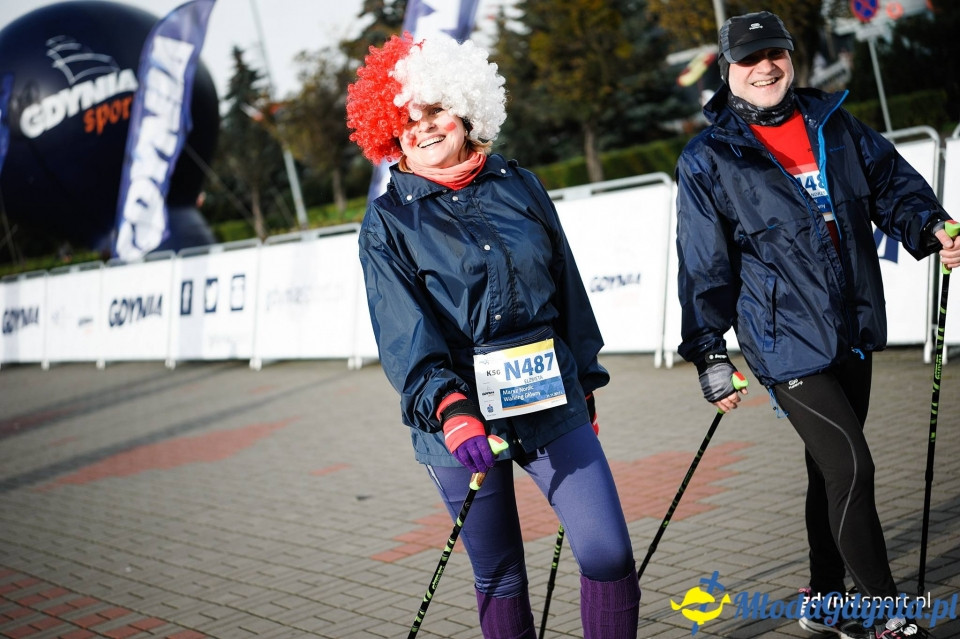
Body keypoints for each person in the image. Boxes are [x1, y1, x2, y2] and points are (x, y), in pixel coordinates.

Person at [674, 11, 960, 639]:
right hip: (783, 339)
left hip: (852, 322)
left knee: (828, 470)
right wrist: (709, 352)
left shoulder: (833, 123)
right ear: (727, 70)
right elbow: (703, 262)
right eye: (749, 59)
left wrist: (931, 226)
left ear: (790, 57)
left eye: (774, 53)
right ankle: (884, 614)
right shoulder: (709, 156)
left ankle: (826, 598)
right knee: (853, 467)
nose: (765, 67)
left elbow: (893, 187)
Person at [346, 33, 640, 639]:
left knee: (607, 552)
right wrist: (450, 409)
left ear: (465, 108)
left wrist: (585, 380)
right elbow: (403, 329)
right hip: (459, 421)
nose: (424, 128)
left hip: (551, 398)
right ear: (389, 135)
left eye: (435, 109)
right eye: (406, 120)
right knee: (500, 574)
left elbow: (567, 286)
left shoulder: (520, 184)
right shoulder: (387, 221)